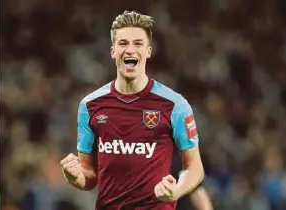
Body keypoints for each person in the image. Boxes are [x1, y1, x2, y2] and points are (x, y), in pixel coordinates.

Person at [60, 10, 206, 210]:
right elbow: (89, 176)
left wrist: (177, 191)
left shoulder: (175, 105)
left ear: (148, 51)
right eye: (123, 43)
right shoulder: (90, 106)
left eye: (138, 43)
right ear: (113, 52)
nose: (130, 50)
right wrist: (75, 177)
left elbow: (195, 168)